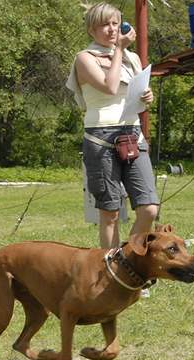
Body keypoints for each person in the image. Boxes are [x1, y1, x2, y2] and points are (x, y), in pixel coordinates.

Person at [66, 2, 159, 249]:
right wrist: (118, 49)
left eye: (115, 24)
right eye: (104, 25)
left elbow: (136, 98)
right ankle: (110, 271)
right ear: (91, 30)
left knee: (149, 208)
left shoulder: (132, 58)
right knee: (110, 213)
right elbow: (109, 86)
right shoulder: (84, 59)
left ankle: (130, 258)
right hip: (100, 137)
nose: (111, 30)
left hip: (132, 134)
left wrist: (147, 97)